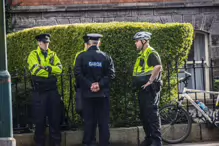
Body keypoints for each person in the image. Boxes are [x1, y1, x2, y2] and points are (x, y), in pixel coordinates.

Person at [74, 33, 115, 146]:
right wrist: (99, 84)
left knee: (88, 121)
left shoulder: (81, 57)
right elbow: (111, 74)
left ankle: (88, 142)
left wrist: (90, 85)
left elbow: (78, 74)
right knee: (103, 122)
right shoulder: (106, 56)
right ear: (99, 43)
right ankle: (104, 143)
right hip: (103, 95)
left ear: (88, 43)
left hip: (87, 95)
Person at [27, 33, 63, 146]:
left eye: (47, 42)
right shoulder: (33, 55)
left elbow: (60, 69)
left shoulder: (53, 54)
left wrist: (47, 68)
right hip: (40, 92)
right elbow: (35, 70)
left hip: (52, 91)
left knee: (55, 119)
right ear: (39, 43)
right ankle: (39, 143)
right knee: (39, 120)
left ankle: (56, 143)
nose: (46, 44)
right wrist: (51, 73)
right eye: (44, 42)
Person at [132, 31, 163, 146]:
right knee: (144, 115)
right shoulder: (142, 54)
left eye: (137, 41)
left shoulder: (151, 52)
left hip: (150, 89)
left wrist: (150, 81)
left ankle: (156, 141)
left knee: (152, 115)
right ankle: (149, 138)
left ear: (144, 41)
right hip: (143, 90)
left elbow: (158, 66)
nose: (136, 43)